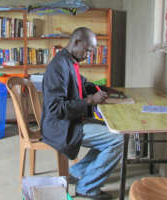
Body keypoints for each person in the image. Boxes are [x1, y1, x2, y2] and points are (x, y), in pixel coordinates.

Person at [41, 27, 123, 199]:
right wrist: (90, 100)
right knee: (118, 139)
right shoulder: (59, 66)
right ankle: (87, 187)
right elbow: (55, 108)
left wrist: (106, 89)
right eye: (87, 50)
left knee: (108, 131)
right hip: (60, 127)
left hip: (72, 121)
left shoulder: (70, 61)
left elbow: (82, 85)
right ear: (76, 42)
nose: (87, 55)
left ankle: (78, 172)